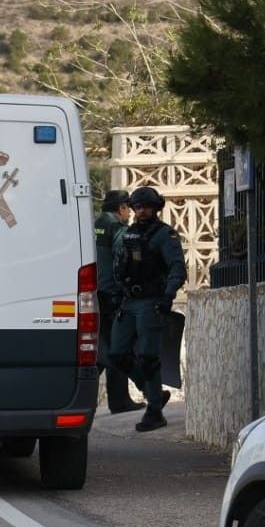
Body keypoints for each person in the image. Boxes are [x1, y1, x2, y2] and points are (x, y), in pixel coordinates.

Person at [110, 185, 186, 432]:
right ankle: (152, 392)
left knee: (147, 357)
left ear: (156, 209)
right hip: (128, 302)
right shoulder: (129, 234)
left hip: (151, 302)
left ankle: (154, 411)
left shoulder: (165, 235)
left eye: (147, 207)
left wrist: (167, 295)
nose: (142, 211)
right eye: (138, 207)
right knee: (118, 354)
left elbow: (177, 267)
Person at [95, 190, 142, 414]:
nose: (130, 214)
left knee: (102, 348)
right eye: (128, 209)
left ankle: (115, 399)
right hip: (113, 296)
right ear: (121, 208)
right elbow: (125, 257)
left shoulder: (95, 225)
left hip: (95, 294)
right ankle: (120, 401)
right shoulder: (117, 228)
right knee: (117, 348)